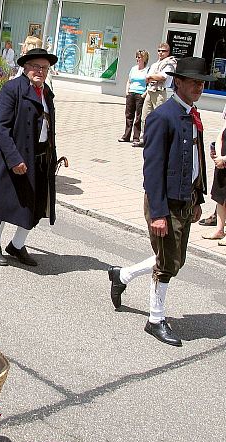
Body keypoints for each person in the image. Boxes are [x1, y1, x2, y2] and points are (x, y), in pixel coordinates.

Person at [107, 57, 214, 347]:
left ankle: (122, 275)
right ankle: (155, 319)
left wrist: (197, 197)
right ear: (177, 81)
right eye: (193, 81)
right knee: (168, 263)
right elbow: (152, 169)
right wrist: (158, 212)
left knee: (174, 258)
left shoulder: (192, 114)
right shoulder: (162, 116)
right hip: (163, 202)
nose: (198, 87)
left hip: (185, 198)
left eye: (202, 82)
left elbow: (196, 162)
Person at [0, 48, 66, 267]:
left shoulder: (46, 91)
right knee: (3, 203)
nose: (40, 71)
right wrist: (14, 159)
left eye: (44, 68)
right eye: (36, 67)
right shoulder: (12, 89)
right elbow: (1, 127)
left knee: (35, 204)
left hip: (39, 157)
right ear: (25, 67)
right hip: (15, 156)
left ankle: (17, 245)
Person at [134, 42, 176, 148]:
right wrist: (151, 77)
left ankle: (158, 141)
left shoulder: (170, 62)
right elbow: (148, 77)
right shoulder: (155, 64)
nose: (161, 53)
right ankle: (145, 139)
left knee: (160, 118)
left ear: (168, 52)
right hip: (150, 91)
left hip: (160, 92)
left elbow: (163, 77)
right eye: (159, 50)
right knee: (145, 117)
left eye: (163, 51)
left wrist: (151, 77)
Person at [201, 106, 226, 243]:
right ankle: (219, 230)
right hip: (222, 162)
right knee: (220, 197)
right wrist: (217, 154)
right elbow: (222, 132)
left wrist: (224, 159)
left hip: (224, 160)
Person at [119, 49, 148, 144]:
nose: (137, 59)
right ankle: (126, 136)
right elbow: (129, 80)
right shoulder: (133, 68)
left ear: (144, 58)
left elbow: (150, 84)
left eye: (139, 57)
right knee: (129, 115)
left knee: (138, 117)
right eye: (137, 57)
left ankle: (136, 137)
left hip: (140, 95)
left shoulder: (147, 70)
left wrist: (144, 94)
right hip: (131, 93)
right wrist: (127, 91)